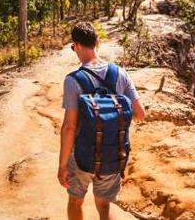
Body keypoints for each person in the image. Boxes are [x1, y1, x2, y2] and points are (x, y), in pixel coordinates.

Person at [58, 21, 146, 220]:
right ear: (97, 42)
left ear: (76, 45)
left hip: (81, 156)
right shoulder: (120, 74)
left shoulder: (73, 80)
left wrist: (63, 165)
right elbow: (140, 113)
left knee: (76, 201)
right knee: (104, 205)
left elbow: (70, 127)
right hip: (113, 153)